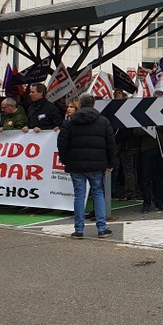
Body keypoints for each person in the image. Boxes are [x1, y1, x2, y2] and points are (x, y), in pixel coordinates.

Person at [57, 93, 115, 239]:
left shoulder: (69, 122)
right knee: (98, 193)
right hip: (97, 164)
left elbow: (62, 144)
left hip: (76, 164)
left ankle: (79, 230)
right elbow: (111, 145)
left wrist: (66, 161)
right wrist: (110, 162)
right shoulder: (103, 121)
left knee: (79, 195)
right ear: (94, 104)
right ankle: (102, 229)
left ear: (80, 105)